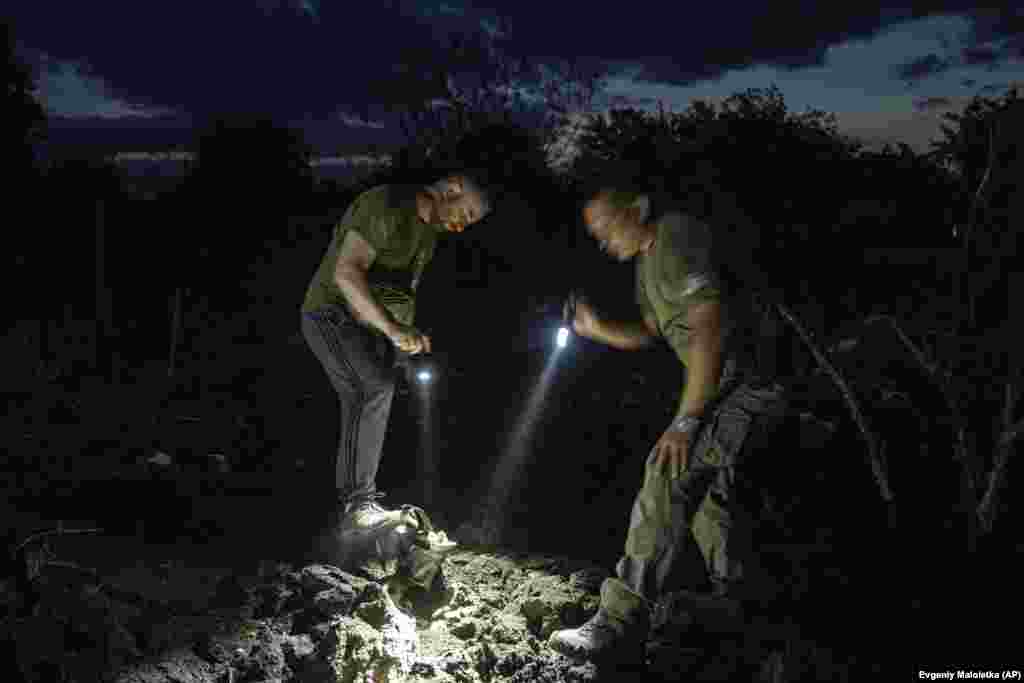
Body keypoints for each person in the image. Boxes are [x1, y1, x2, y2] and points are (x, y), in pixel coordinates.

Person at [548, 185, 788, 663]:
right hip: (726, 388)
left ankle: (618, 621)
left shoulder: (678, 237)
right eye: (595, 235)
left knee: (667, 472)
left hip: (748, 386)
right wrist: (598, 330)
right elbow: (654, 332)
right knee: (709, 499)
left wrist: (686, 420)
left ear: (637, 208)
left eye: (608, 226)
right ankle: (744, 611)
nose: (603, 242)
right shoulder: (646, 264)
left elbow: (708, 328)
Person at [300, 172, 492, 556]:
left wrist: (401, 345)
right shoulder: (385, 205)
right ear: (450, 189)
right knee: (371, 388)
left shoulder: (427, 236)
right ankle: (357, 506)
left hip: (366, 331)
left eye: (469, 224)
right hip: (329, 315)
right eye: (465, 213)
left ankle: (356, 519)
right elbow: (346, 273)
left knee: (373, 393)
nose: (461, 226)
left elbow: (400, 294)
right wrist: (391, 328)